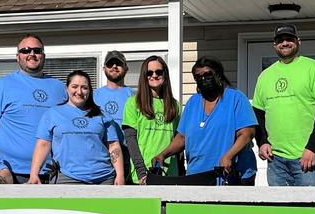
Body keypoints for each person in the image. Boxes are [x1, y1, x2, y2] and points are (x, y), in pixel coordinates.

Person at [0, 34, 66, 183]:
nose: (32, 54)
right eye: (26, 50)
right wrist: (6, 139)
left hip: (54, 171)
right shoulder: (3, 85)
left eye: (37, 50)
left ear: (43, 55)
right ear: (18, 57)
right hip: (13, 172)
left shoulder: (59, 87)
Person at [152, 57, 257, 185]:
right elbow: (182, 138)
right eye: (198, 77)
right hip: (197, 176)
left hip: (230, 176)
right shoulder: (192, 102)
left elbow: (247, 133)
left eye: (207, 75)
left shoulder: (236, 98)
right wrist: (163, 154)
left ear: (218, 75)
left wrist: (228, 156)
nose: (203, 79)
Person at [252, 24, 315, 186]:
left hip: (306, 156)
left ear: (298, 41)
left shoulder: (314, 69)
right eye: (280, 40)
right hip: (275, 159)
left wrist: (313, 147)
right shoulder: (265, 76)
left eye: (289, 39)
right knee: (279, 210)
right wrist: (262, 142)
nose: (285, 43)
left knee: (306, 209)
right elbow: (258, 113)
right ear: (275, 45)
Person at [28, 70, 124, 185]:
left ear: (89, 91)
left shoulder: (102, 115)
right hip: (67, 177)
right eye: (74, 86)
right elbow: (43, 145)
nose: (79, 91)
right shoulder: (52, 114)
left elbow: (113, 146)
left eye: (84, 87)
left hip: (104, 178)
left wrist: (120, 175)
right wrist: (34, 174)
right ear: (67, 88)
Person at [122, 55, 181, 184]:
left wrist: (180, 173)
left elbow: (179, 141)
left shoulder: (175, 105)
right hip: (143, 175)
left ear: (165, 74)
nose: (154, 75)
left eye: (159, 72)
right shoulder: (133, 103)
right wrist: (141, 171)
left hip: (170, 173)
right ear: (144, 76)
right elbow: (130, 140)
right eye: (149, 73)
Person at [96, 50, 136, 179]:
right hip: (102, 158)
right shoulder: (94, 96)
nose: (114, 67)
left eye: (118, 64)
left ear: (126, 68)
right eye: (110, 64)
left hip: (129, 157)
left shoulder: (135, 96)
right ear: (104, 69)